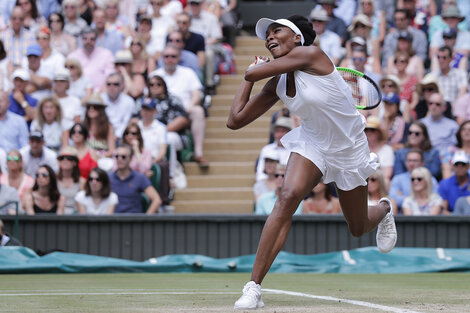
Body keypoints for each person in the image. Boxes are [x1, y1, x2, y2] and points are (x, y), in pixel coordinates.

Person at [228, 15, 397, 309]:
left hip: (350, 148)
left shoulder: (313, 54)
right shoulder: (277, 81)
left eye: (276, 31)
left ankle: (383, 209)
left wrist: (253, 72)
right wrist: (247, 76)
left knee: (357, 227)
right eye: (266, 34)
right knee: (287, 195)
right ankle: (253, 287)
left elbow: (256, 74)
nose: (269, 37)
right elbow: (235, 120)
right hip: (313, 142)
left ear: (297, 38)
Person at [149, 45, 208, 168]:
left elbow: (197, 94)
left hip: (185, 110)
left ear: (179, 57)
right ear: (162, 58)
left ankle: (198, 153)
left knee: (198, 111)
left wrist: (188, 107)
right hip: (159, 115)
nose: (169, 59)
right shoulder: (155, 75)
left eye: (173, 56)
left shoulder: (188, 72)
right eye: (166, 56)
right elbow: (147, 97)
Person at [109, 144, 161, 214]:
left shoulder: (139, 177)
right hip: (113, 221)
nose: (119, 159)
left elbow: (157, 200)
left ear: (130, 159)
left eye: (123, 157)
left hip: (133, 222)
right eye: (117, 156)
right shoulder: (108, 178)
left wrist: (146, 220)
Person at [67, 27, 115, 92]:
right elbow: (69, 77)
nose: (88, 41)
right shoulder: (72, 57)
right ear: (81, 39)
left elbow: (110, 76)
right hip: (78, 94)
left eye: (92, 39)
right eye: (85, 39)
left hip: (101, 93)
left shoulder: (106, 54)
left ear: (96, 40)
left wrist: (100, 94)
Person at [420, 92, 458, 156]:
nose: (433, 106)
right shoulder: (421, 123)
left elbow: (456, 146)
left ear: (444, 107)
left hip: (445, 158)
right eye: (430, 103)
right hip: (424, 157)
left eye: (437, 104)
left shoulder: (453, 126)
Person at [255, 117, 292, 182]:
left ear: (290, 132)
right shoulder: (266, 149)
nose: (280, 135)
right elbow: (260, 174)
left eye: (283, 131)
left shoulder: (295, 150)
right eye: (277, 131)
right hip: (268, 186)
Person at [102, 72, 135, 139]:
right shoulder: (100, 99)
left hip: (122, 137)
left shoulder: (128, 101)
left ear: (121, 85)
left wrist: (116, 136)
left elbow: (126, 122)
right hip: (102, 135)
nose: (112, 87)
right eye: (109, 84)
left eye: (115, 84)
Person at [364, 115, 394, 189]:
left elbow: (387, 175)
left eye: (372, 130)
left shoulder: (387, 149)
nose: (368, 132)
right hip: (362, 182)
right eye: (366, 130)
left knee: (386, 181)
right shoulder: (360, 149)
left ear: (379, 133)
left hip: (379, 183)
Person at [83, 93, 115, 158]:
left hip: (102, 158)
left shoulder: (108, 127)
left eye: (95, 107)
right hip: (85, 157)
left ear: (101, 110)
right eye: (89, 107)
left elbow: (112, 151)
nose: (91, 109)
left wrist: (99, 157)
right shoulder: (83, 125)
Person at [56, 146, 83, 214]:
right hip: (56, 215)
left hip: (76, 216)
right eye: (62, 158)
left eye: (69, 158)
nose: (65, 160)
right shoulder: (53, 179)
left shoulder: (81, 181)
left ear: (75, 162)